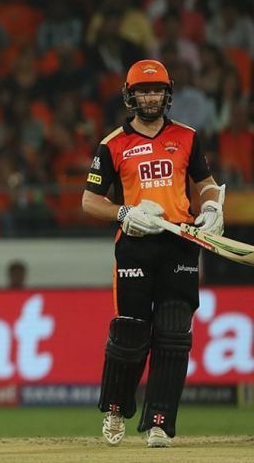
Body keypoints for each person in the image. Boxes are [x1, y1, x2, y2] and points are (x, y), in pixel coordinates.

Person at [82, 59, 224, 448]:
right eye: (143, 90)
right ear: (130, 95)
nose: (150, 97)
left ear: (168, 93)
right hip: (135, 245)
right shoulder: (112, 144)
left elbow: (206, 183)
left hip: (179, 240)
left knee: (174, 334)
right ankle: (114, 409)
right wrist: (123, 212)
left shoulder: (188, 138)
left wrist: (211, 207)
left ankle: (159, 421)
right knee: (130, 332)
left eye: (157, 90)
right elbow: (89, 202)